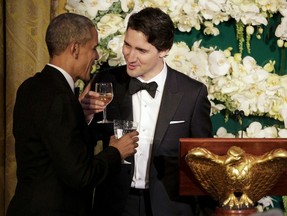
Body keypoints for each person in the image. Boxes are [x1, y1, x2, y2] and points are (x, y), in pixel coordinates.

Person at [82, 7, 213, 216]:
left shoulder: (192, 94)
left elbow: (205, 163)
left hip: (170, 206)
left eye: (141, 50)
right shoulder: (106, 82)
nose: (130, 57)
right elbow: (82, 146)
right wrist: (86, 116)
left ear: (164, 50)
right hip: (115, 205)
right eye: (127, 45)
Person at [6, 13, 138, 216]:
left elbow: (52, 147)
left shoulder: (31, 86)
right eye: (93, 48)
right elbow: (81, 175)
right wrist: (116, 152)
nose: (96, 56)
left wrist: (80, 117)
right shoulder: (60, 98)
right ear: (74, 48)